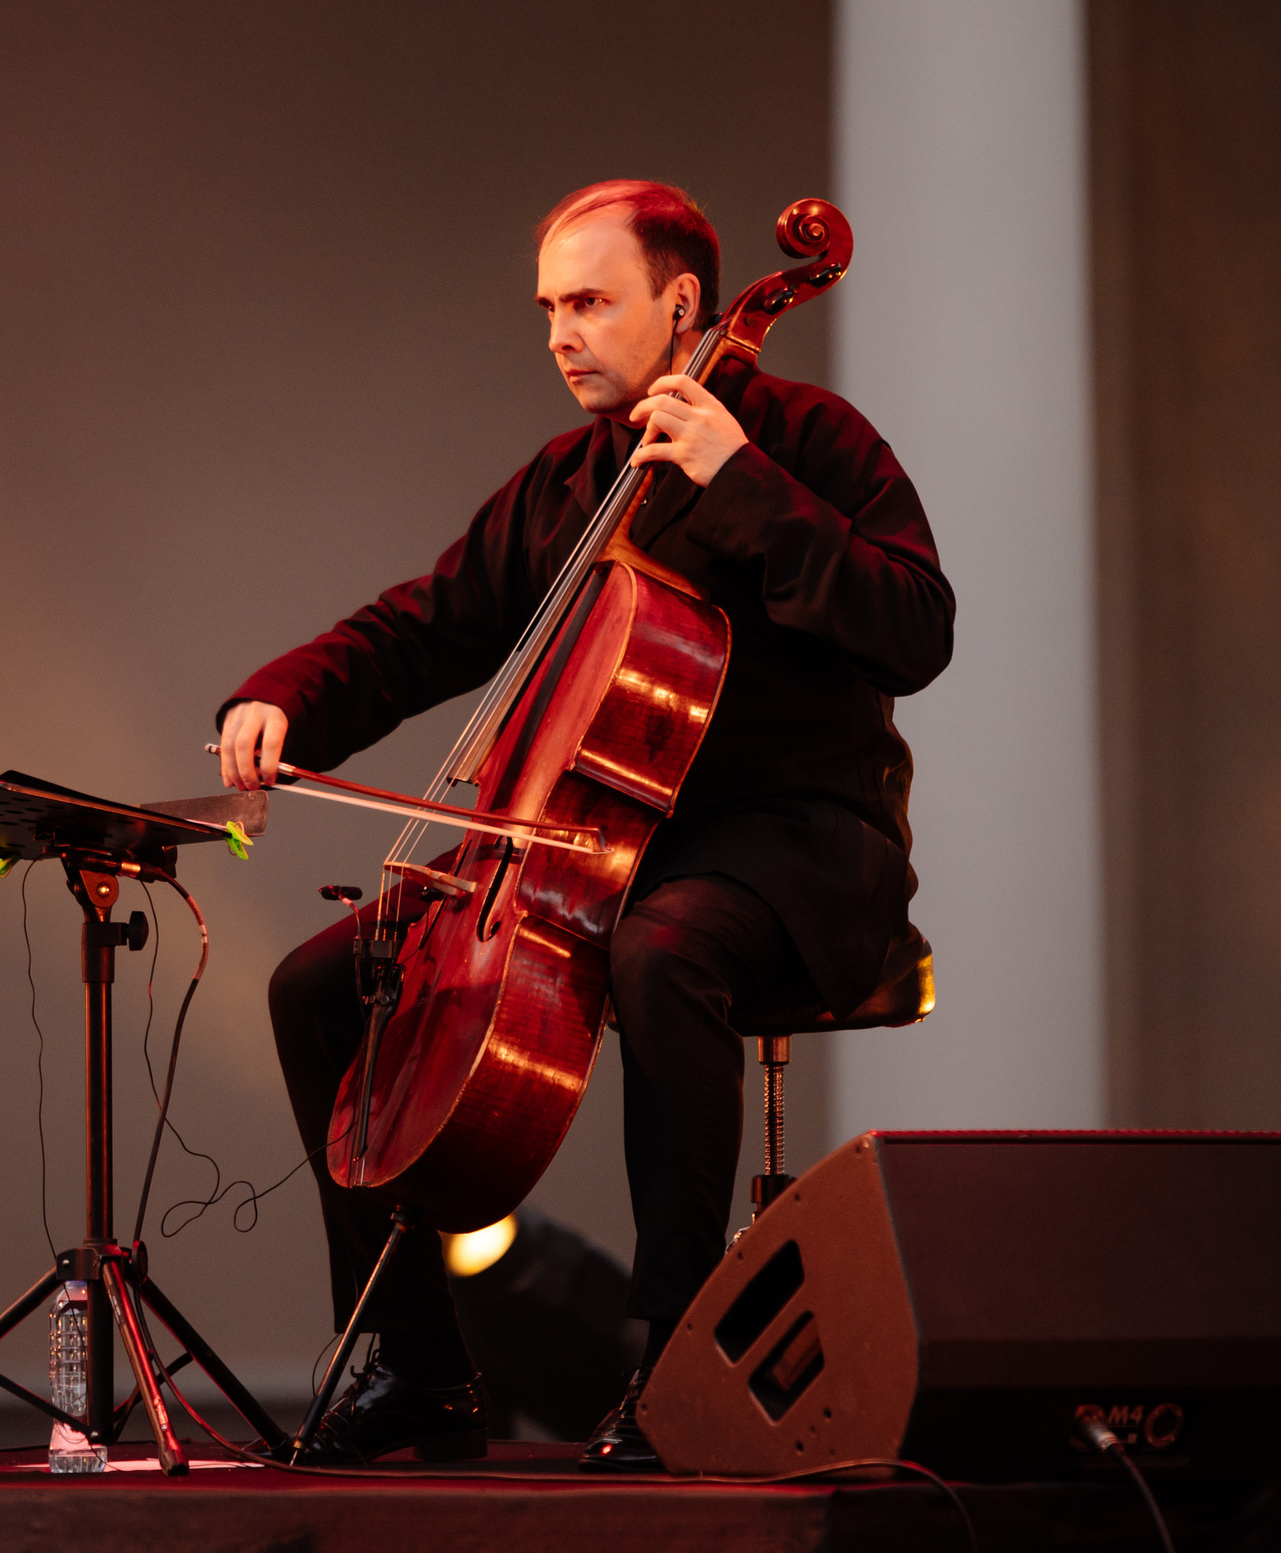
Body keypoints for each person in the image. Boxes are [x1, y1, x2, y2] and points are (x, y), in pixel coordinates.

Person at [216, 179, 953, 1470]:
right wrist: (284, 697)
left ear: (683, 303)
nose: (561, 333)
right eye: (550, 307)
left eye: (591, 302)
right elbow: (426, 627)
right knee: (321, 989)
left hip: (800, 844)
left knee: (665, 951)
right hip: (601, 847)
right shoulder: (574, 481)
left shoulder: (807, 440)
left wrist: (744, 484)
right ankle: (420, 1364)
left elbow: (916, 627)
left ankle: (671, 1365)